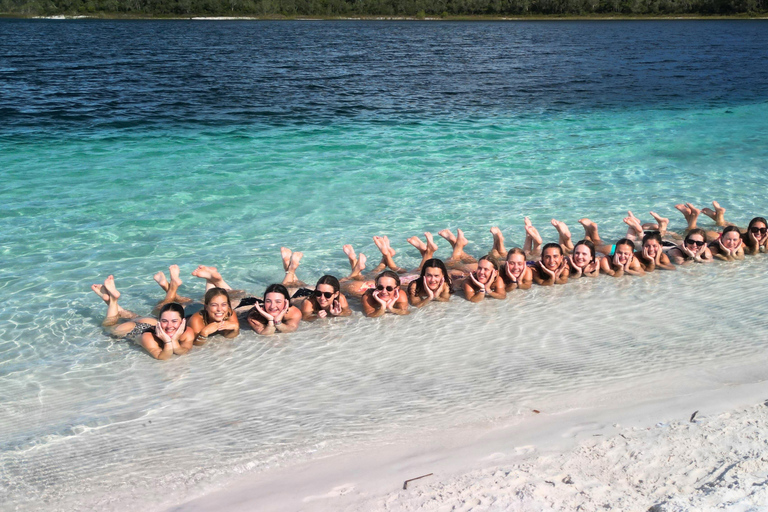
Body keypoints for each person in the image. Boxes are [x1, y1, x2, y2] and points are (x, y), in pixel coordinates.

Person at [91, 275, 194, 359]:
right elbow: (162, 356)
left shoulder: (188, 331)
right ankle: (113, 300)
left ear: (182, 321)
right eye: (164, 321)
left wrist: (174, 340)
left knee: (128, 315)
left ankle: (109, 299)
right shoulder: (148, 337)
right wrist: (167, 341)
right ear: (160, 321)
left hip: (150, 322)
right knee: (109, 326)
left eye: (174, 321)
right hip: (135, 329)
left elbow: (183, 351)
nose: (169, 326)